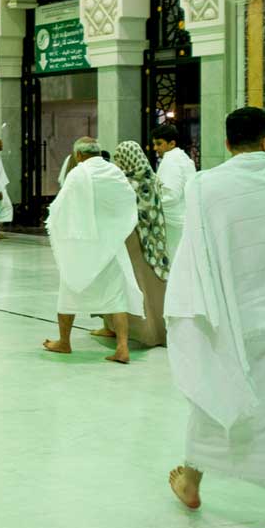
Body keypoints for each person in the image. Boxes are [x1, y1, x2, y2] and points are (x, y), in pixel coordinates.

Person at [165, 107, 265, 528]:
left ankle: (191, 480)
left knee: (213, 397)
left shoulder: (205, 186)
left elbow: (196, 255)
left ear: (227, 143)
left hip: (231, 321)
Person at [42, 137, 142, 364]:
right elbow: (128, 202)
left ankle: (64, 342)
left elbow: (60, 207)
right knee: (116, 297)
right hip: (111, 245)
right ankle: (122, 348)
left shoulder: (78, 173)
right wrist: (114, 230)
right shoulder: (115, 172)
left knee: (69, 291)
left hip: (83, 246)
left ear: (78, 155)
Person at [110, 140, 171, 347]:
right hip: (154, 239)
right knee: (152, 284)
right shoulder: (151, 177)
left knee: (134, 283)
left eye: (119, 159)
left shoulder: (127, 183)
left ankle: (143, 332)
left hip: (133, 237)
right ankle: (160, 330)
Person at [151, 122, 197, 262]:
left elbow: (170, 196)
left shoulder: (170, 160)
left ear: (172, 143)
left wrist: (153, 206)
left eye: (159, 144)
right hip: (186, 217)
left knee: (174, 261)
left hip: (174, 222)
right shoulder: (184, 159)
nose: (155, 148)